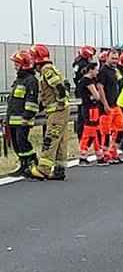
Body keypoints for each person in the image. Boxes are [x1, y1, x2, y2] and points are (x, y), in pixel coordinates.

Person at [26, 45, 70, 180]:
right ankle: (59, 169)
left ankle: (43, 169)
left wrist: (61, 101)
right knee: (61, 140)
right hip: (59, 110)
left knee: (51, 138)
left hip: (57, 110)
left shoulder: (46, 69)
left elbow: (59, 87)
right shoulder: (50, 69)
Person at [6, 51, 39, 177]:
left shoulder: (30, 81)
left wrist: (26, 116)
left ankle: (32, 163)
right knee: (16, 145)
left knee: (23, 143)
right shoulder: (19, 80)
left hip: (23, 119)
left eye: (16, 63)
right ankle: (23, 165)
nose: (15, 66)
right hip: (14, 119)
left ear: (24, 64)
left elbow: (31, 101)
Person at [97, 49, 123, 165]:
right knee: (106, 132)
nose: (115, 61)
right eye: (112, 58)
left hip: (115, 105)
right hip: (107, 107)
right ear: (107, 58)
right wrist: (105, 104)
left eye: (116, 58)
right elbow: (100, 87)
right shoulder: (103, 71)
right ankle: (106, 155)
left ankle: (114, 152)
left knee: (120, 129)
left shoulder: (114, 71)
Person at [77, 63, 108, 167]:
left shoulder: (83, 80)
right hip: (90, 109)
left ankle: (99, 156)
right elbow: (97, 96)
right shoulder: (87, 81)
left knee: (95, 132)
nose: (97, 72)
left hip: (89, 108)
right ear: (91, 70)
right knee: (89, 132)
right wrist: (93, 97)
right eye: (96, 70)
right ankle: (83, 156)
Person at [73, 44, 97, 140]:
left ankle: (83, 136)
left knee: (82, 117)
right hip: (85, 92)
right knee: (84, 117)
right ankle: (84, 137)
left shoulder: (77, 63)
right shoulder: (83, 65)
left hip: (79, 91)